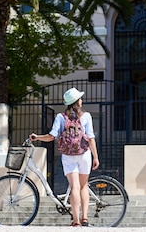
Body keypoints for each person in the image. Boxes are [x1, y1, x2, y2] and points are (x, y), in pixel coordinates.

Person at [29, 87, 100, 227]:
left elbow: (51, 136)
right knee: (83, 186)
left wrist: (37, 137)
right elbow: (91, 138)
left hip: (68, 156)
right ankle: (85, 218)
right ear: (77, 102)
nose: (82, 100)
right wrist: (95, 157)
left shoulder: (61, 117)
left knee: (74, 187)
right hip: (84, 154)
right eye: (80, 98)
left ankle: (76, 221)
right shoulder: (86, 116)